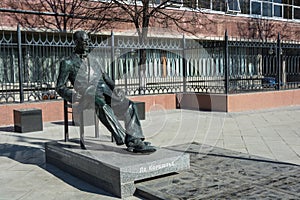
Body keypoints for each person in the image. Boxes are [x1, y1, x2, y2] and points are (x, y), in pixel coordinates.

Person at [56, 31, 156, 153]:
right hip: (86, 95)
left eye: (88, 41)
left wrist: (115, 88)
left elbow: (107, 78)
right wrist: (72, 95)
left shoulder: (94, 60)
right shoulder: (67, 63)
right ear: (76, 42)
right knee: (101, 104)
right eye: (85, 41)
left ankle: (134, 139)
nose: (88, 44)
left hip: (104, 90)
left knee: (129, 105)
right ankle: (125, 139)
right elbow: (59, 87)